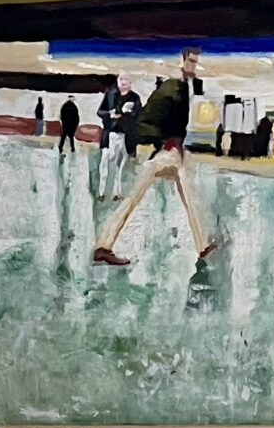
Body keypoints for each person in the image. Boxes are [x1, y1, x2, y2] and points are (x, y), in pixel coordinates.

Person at [92, 46, 220, 265]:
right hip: (165, 152)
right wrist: (162, 141)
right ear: (182, 60)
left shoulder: (181, 88)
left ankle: (202, 245)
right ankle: (104, 245)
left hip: (172, 152)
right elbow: (146, 121)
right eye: (190, 61)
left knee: (185, 194)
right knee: (137, 197)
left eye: (196, 62)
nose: (193, 66)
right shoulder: (172, 88)